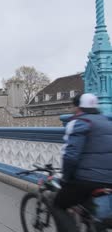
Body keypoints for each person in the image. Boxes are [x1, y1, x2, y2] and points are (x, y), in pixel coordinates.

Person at [52, 93, 112, 232]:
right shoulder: (107, 122)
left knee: (58, 205)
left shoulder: (79, 122)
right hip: (109, 179)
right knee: (92, 213)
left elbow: (71, 156)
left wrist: (65, 179)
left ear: (78, 107)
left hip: (87, 179)